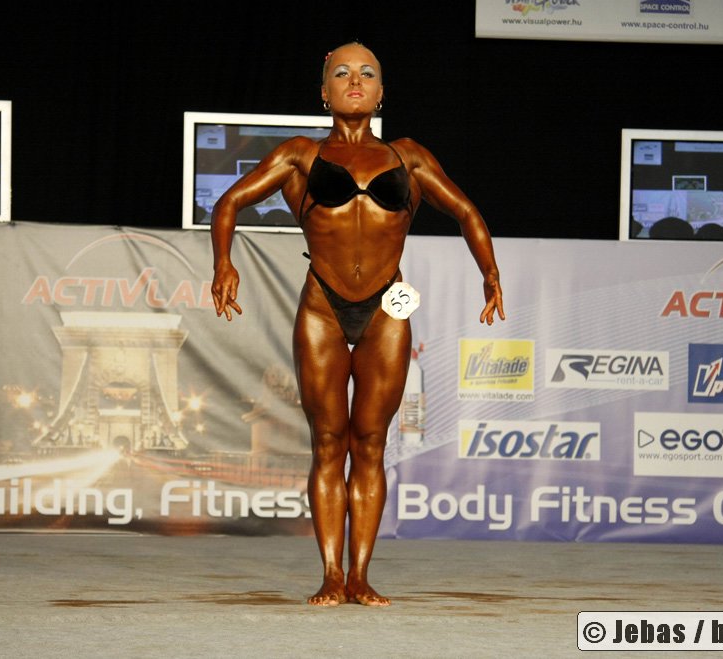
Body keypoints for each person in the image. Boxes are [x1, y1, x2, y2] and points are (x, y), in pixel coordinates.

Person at [210, 42, 504, 607]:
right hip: (321, 307)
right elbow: (228, 204)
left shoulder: (408, 158)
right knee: (328, 442)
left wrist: (490, 273)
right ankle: (330, 574)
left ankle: (361, 575)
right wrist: (224, 263)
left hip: (386, 308)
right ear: (323, 92)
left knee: (369, 443)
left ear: (381, 92)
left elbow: (466, 211)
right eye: (341, 73)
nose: (354, 81)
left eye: (367, 73)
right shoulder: (300, 155)